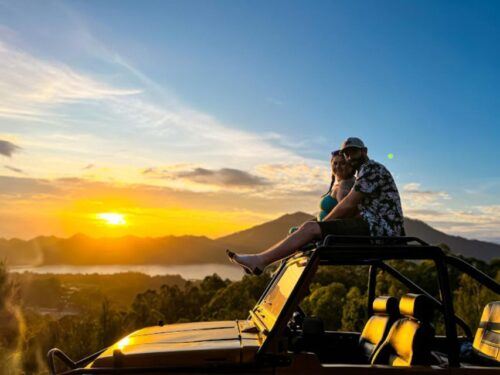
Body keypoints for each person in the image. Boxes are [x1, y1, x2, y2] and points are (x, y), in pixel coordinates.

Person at [226, 137, 405, 275]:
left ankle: (260, 261)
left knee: (312, 229)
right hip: (374, 227)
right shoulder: (365, 172)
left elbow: (349, 205)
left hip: (381, 231)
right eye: (347, 154)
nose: (350, 157)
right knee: (308, 230)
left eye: (354, 152)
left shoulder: (372, 168)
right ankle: (265, 263)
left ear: (364, 151)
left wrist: (321, 226)